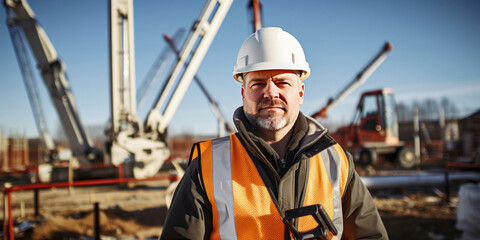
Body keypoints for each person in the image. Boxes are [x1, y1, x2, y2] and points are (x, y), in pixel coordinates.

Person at [160, 27, 388, 240]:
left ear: (300, 92)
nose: (271, 92)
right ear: (243, 93)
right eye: (258, 83)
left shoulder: (337, 161)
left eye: (282, 82)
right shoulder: (207, 165)